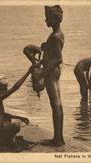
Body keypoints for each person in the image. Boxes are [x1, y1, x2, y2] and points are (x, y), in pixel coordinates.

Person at [0, 66, 34, 151]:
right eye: (3, 89)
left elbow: (2, 114)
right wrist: (28, 72)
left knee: (7, 120)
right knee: (16, 126)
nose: (5, 91)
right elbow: (15, 88)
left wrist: (19, 117)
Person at [33, 5, 65, 146]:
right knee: (59, 104)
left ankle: (57, 139)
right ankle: (60, 138)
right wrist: (47, 48)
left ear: (53, 19)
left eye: (47, 17)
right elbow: (55, 54)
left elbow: (58, 58)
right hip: (55, 71)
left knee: (55, 104)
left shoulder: (55, 36)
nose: (45, 20)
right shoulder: (59, 33)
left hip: (51, 72)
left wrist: (41, 74)